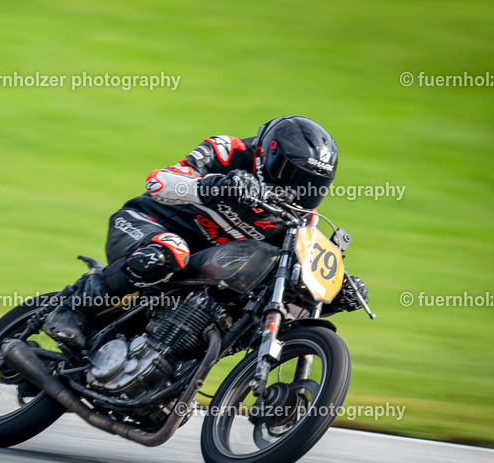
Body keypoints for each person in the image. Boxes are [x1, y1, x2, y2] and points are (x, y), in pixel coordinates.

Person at [44, 115, 367, 349]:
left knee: (252, 304)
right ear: (269, 154)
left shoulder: (302, 219)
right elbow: (158, 182)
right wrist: (217, 186)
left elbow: (294, 276)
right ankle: (75, 308)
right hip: (147, 225)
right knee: (172, 251)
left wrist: (334, 294)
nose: (296, 192)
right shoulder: (229, 151)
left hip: (200, 268)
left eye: (310, 184)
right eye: (290, 176)